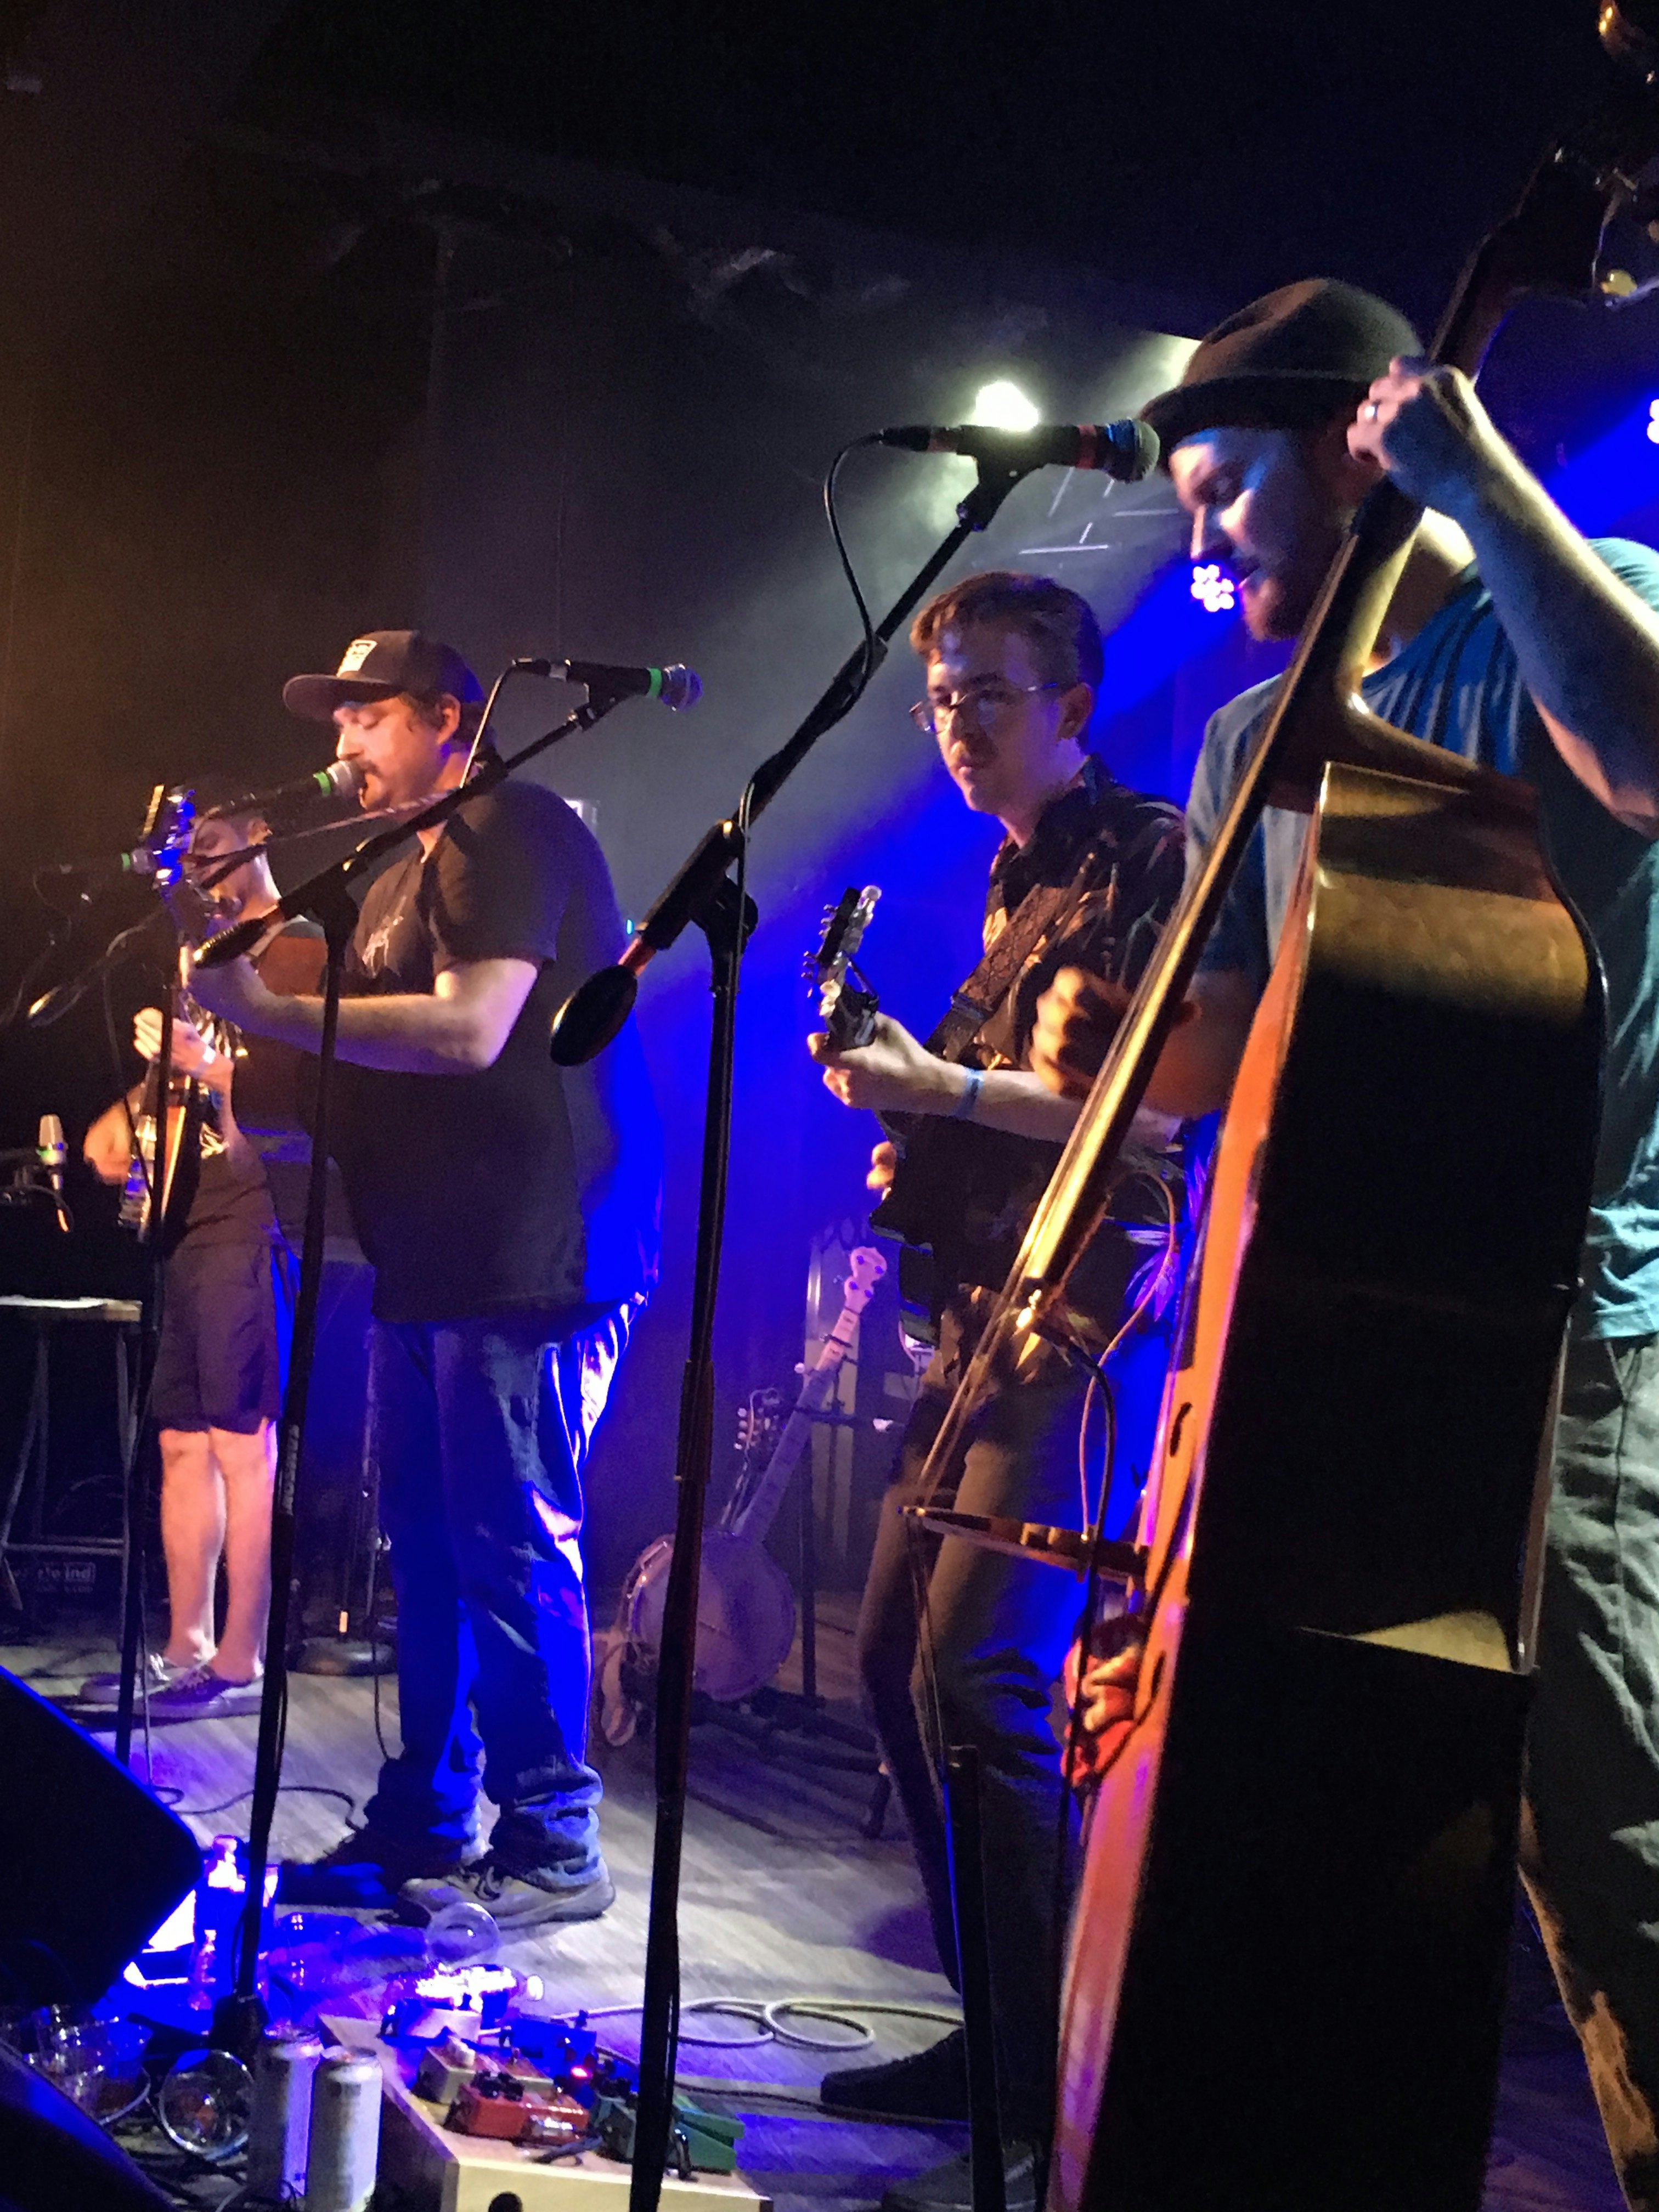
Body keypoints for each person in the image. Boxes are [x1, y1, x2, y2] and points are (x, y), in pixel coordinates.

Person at [1031, 279, 1659, 2210]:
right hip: (1317, 1335)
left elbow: (1646, 753)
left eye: (1220, 486)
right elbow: (1225, 1052)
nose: (1196, 537)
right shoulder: (1242, 740)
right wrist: (1111, 1036)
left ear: (1344, 454)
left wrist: (1469, 474)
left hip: (1555, 1316)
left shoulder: (1567, 596)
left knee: (1602, 1827)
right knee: (1313, 1814)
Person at [806, 573, 1190, 2210]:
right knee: (894, 1657)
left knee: (986, 1678)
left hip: (1095, 1319)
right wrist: (927, 1121)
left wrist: (948, 1086)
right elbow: (1020, 1098)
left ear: (1075, 709)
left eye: (988, 694)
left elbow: (1156, 1119)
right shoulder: (1007, 879)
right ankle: (999, 2036)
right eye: (941, 696)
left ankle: (1062, 2081)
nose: (955, 722)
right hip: (989, 1309)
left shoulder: (1152, 857)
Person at [186, 629, 662, 1929]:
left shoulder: (511, 824)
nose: (340, 745)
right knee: (437, 1550)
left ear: (452, 718)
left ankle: (555, 1836)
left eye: (368, 717)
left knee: (508, 1542)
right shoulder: (400, 864)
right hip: (436, 1251)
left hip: (533, 1247)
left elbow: (467, 1029)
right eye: (334, 722)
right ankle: (425, 1818)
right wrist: (240, 922)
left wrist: (271, 1009)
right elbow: (326, 1035)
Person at [78, 807, 289, 1720]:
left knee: (244, 1446)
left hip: (252, 1221)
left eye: (212, 849)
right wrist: (151, 1088)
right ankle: (185, 1645)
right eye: (187, 856)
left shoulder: (294, 946)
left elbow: (279, 1120)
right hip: (187, 1224)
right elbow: (117, 1146)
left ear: (259, 834)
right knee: (180, 1443)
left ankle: (242, 1660)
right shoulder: (197, 959)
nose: (198, 869)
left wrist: (207, 1071)